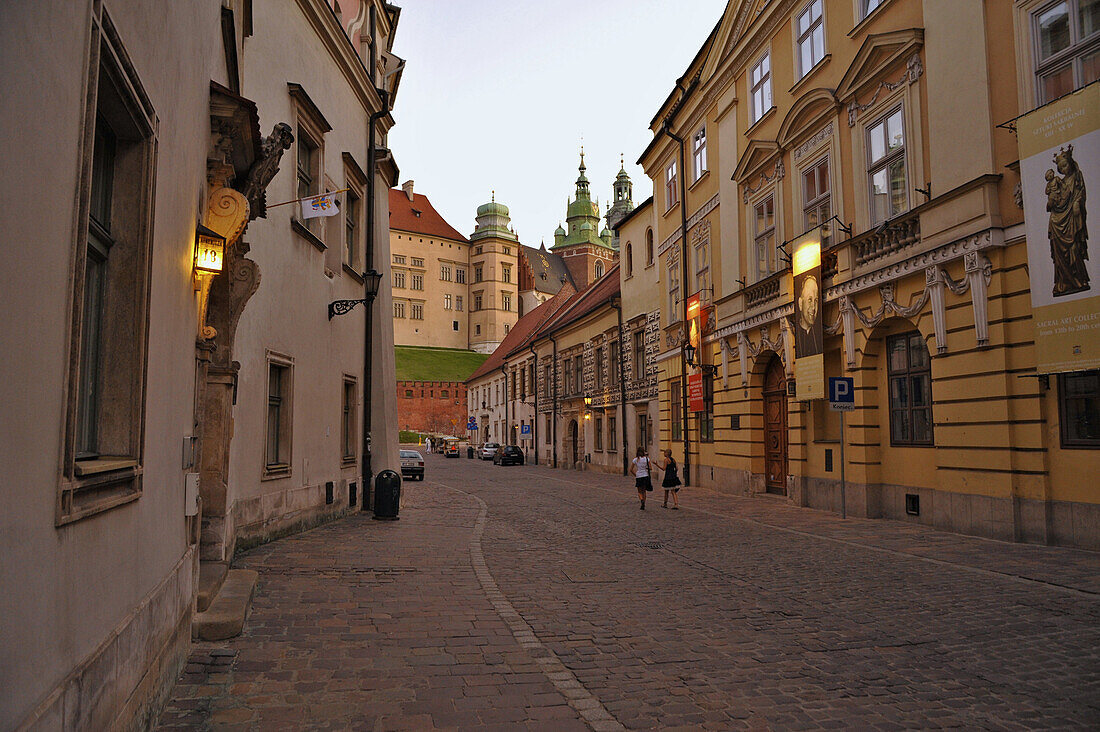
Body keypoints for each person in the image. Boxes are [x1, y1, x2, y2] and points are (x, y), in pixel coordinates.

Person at [794, 273, 822, 357]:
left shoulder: (818, 334)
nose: (813, 307)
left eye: (816, 300)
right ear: (800, 304)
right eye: (810, 300)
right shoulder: (795, 334)